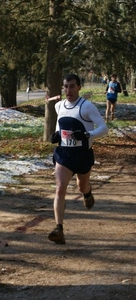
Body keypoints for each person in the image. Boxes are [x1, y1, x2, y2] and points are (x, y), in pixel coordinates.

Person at [48, 73, 108, 245]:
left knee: (82, 186)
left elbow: (104, 129)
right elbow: (60, 124)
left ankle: (87, 192)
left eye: (72, 86)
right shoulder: (59, 106)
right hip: (64, 154)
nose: (68, 90)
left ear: (79, 87)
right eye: (66, 86)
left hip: (83, 155)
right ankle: (58, 228)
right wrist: (57, 135)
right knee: (60, 188)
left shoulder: (87, 107)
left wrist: (88, 134)